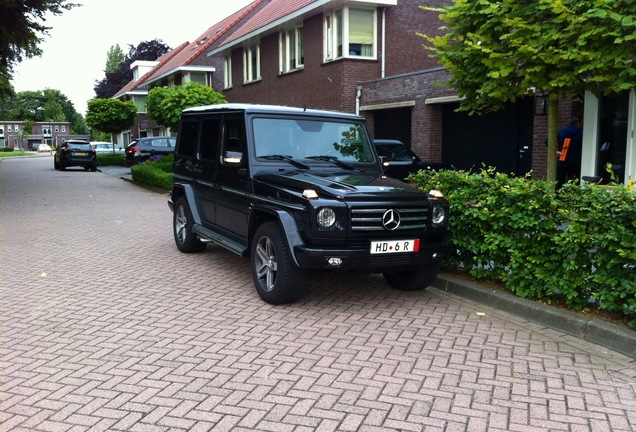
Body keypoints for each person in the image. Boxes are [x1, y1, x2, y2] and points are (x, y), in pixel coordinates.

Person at [556, 116, 583, 187]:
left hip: (562, 159)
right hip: (574, 160)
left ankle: (556, 195)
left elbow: (548, 141)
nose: (582, 124)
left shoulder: (561, 132)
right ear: (578, 122)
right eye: (582, 122)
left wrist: (556, 151)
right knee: (573, 180)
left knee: (559, 179)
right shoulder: (580, 134)